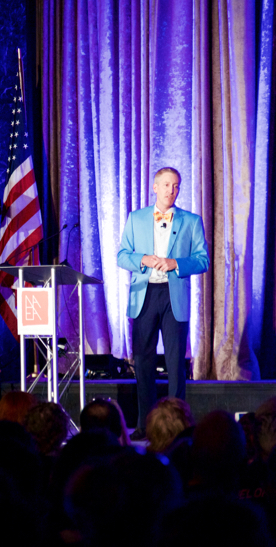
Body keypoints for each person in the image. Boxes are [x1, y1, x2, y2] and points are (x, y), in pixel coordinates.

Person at [117, 167, 209, 439]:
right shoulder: (136, 218)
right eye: (167, 185)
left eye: (176, 185)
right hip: (145, 295)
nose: (172, 190)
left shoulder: (191, 221)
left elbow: (203, 260)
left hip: (173, 296)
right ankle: (145, 425)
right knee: (143, 362)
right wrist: (142, 259)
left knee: (175, 363)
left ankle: (178, 426)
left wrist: (175, 263)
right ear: (155, 187)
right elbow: (122, 255)